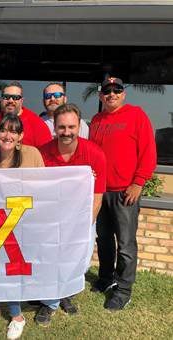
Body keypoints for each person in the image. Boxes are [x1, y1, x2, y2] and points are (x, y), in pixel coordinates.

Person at [89, 77, 157, 311]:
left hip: (125, 193)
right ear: (101, 96)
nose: (112, 94)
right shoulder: (97, 120)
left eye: (117, 89)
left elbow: (149, 151)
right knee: (104, 239)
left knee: (126, 244)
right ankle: (107, 278)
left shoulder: (136, 115)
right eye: (107, 91)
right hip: (101, 192)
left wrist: (138, 183)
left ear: (123, 93)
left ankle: (124, 289)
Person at [37, 103, 106, 325]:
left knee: (79, 263)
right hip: (52, 221)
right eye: (62, 127)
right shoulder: (43, 153)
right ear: (55, 127)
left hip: (82, 220)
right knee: (51, 262)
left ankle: (64, 293)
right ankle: (49, 304)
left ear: (79, 126)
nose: (67, 132)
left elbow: (97, 195)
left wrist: (85, 224)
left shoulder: (94, 153)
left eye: (71, 127)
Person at [0, 114, 44, 340]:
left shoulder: (31, 154)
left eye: (13, 131)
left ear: (20, 136)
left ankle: (17, 317)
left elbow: (46, 184)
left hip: (20, 221)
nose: (8, 135)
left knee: (11, 268)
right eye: (4, 130)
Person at [0, 81, 51, 151]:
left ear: (22, 101)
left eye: (15, 97)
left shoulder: (37, 124)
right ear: (1, 99)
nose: (10, 100)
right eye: (6, 97)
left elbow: (47, 155)